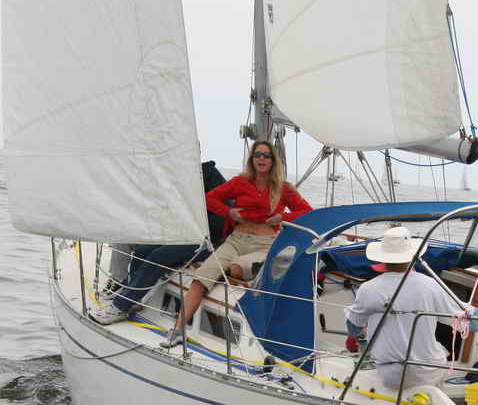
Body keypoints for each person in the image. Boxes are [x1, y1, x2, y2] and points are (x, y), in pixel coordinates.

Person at [161, 139, 312, 347]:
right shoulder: (240, 182)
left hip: (264, 244)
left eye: (266, 155)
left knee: (236, 269)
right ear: (252, 159)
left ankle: (250, 270)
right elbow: (209, 198)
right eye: (257, 154)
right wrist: (228, 212)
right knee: (201, 277)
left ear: (273, 160)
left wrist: (282, 217)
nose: (261, 158)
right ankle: (178, 330)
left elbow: (307, 212)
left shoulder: (283, 188)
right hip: (236, 241)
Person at [90, 161, 228, 324]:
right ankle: (133, 297)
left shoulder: (210, 176)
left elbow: (222, 217)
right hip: (185, 234)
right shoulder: (178, 177)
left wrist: (197, 228)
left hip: (209, 240)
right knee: (141, 251)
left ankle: (120, 307)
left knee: (158, 257)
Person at [343, 226, 463, 390]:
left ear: (382, 259)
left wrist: (361, 331)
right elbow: (465, 317)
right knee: (440, 350)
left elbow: (353, 328)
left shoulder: (368, 288)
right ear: (412, 255)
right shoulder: (430, 285)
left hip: (392, 376)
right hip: (428, 373)